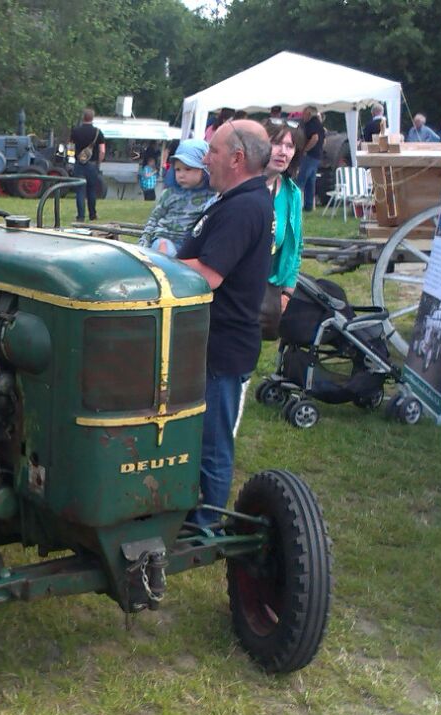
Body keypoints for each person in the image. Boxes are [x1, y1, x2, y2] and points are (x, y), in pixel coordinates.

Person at [177, 119, 273, 527]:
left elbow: (210, 274)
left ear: (237, 158)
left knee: (214, 446)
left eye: (212, 152)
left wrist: (155, 263)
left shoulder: (244, 207)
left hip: (221, 346)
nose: (205, 159)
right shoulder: (235, 200)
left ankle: (206, 526)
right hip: (207, 341)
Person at [137, 140, 214, 255]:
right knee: (164, 248)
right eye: (177, 169)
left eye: (188, 169)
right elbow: (154, 219)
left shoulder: (211, 197)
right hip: (165, 239)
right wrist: (143, 243)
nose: (181, 174)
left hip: (190, 244)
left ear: (203, 170)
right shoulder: (169, 194)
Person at [264, 121, 304, 312]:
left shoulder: (292, 193)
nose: (283, 152)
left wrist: (287, 292)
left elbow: (296, 245)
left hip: (270, 287)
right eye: (276, 143)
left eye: (290, 146)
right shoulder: (243, 186)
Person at [70, 108, 105, 222]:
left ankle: (80, 216)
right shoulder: (98, 132)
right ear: (92, 118)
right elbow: (102, 151)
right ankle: (92, 215)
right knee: (91, 190)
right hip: (92, 164)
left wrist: (71, 159)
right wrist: (98, 162)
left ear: (83, 117)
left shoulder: (75, 131)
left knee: (80, 190)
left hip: (79, 163)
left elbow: (70, 147)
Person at [296, 105, 325, 212]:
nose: (302, 116)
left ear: (309, 114)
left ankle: (295, 205)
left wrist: (305, 149)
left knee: (301, 181)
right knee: (310, 182)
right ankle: (308, 206)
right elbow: (323, 140)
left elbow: (315, 137)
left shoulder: (311, 124)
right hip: (317, 156)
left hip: (310, 156)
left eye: (303, 113)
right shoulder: (319, 124)